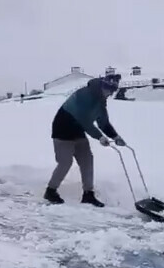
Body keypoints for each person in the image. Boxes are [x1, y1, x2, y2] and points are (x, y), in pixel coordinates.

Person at [44, 73, 125, 207]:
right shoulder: (84, 95)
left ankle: (88, 195)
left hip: (78, 132)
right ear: (103, 87)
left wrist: (115, 137)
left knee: (87, 160)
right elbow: (84, 120)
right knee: (65, 162)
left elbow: (103, 122)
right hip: (62, 130)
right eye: (110, 91)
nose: (110, 94)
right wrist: (100, 137)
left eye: (113, 92)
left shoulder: (100, 101)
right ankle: (50, 191)